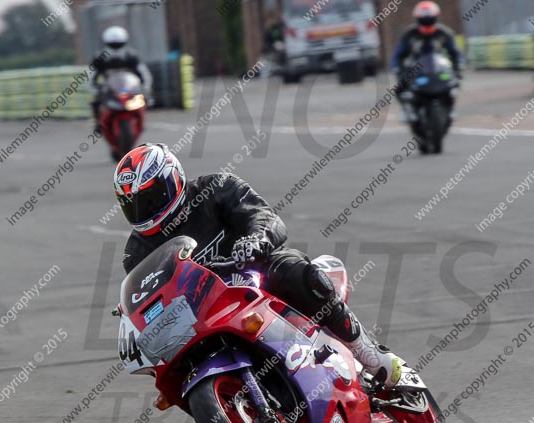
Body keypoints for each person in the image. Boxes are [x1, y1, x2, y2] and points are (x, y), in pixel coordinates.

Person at [114, 143, 420, 388]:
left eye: (151, 197)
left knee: (297, 272)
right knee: (177, 374)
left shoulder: (215, 189)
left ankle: (364, 350)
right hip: (202, 312)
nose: (144, 210)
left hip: (252, 275)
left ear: (174, 179)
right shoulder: (136, 251)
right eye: (133, 204)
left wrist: (254, 241)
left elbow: (263, 216)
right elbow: (146, 297)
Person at [391, 2, 462, 121]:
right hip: (416, 68)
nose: (427, 23)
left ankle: (450, 109)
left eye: (430, 19)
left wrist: (458, 66)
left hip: (438, 67)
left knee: (454, 83)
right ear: (418, 19)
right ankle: (407, 109)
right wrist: (397, 68)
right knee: (400, 86)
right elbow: (398, 55)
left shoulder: (444, 33)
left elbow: (455, 53)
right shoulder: (409, 35)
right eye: (424, 20)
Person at [90, 26, 152, 132]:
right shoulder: (100, 58)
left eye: (118, 44)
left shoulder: (132, 56)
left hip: (130, 89)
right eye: (113, 45)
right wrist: (95, 89)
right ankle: (98, 123)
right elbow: (92, 75)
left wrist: (145, 87)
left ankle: (141, 121)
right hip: (109, 90)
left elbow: (143, 73)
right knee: (96, 102)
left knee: (145, 100)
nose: (116, 49)